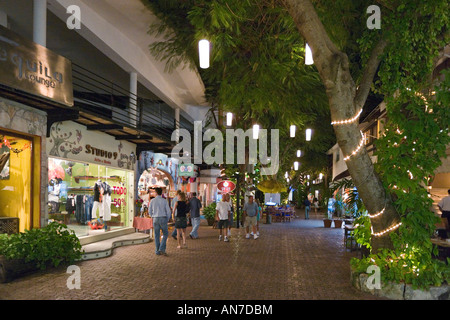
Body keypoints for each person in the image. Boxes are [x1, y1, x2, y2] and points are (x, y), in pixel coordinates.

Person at [148, 188, 171, 256]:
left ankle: (157, 250)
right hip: (163, 218)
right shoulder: (164, 201)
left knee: (156, 235)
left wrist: (152, 216)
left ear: (156, 193)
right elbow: (168, 211)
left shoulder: (152, 201)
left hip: (155, 218)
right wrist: (167, 218)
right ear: (162, 193)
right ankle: (162, 248)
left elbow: (150, 211)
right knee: (165, 234)